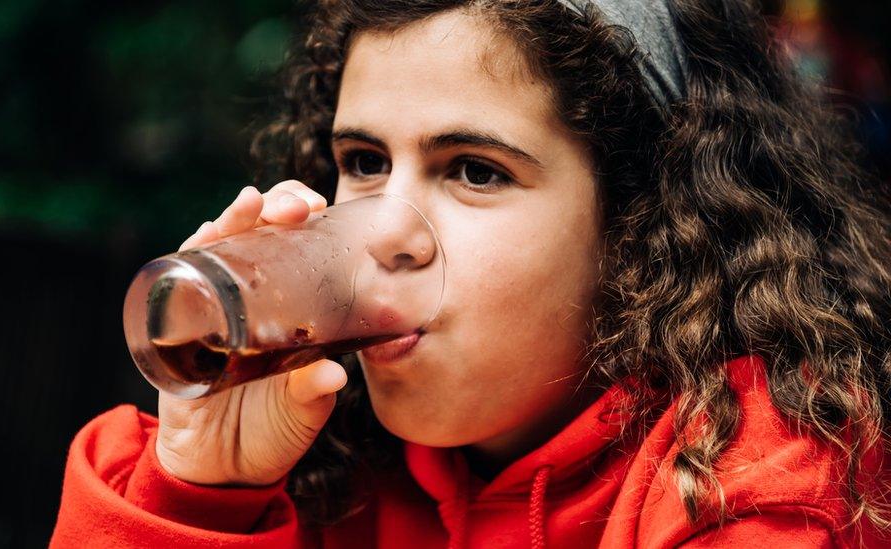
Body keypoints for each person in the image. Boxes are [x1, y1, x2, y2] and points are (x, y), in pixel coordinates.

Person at [51, 0, 891, 547]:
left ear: (642, 216)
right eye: (364, 159)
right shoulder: (325, 463)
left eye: (475, 171)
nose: (386, 235)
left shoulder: (754, 472)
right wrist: (199, 496)